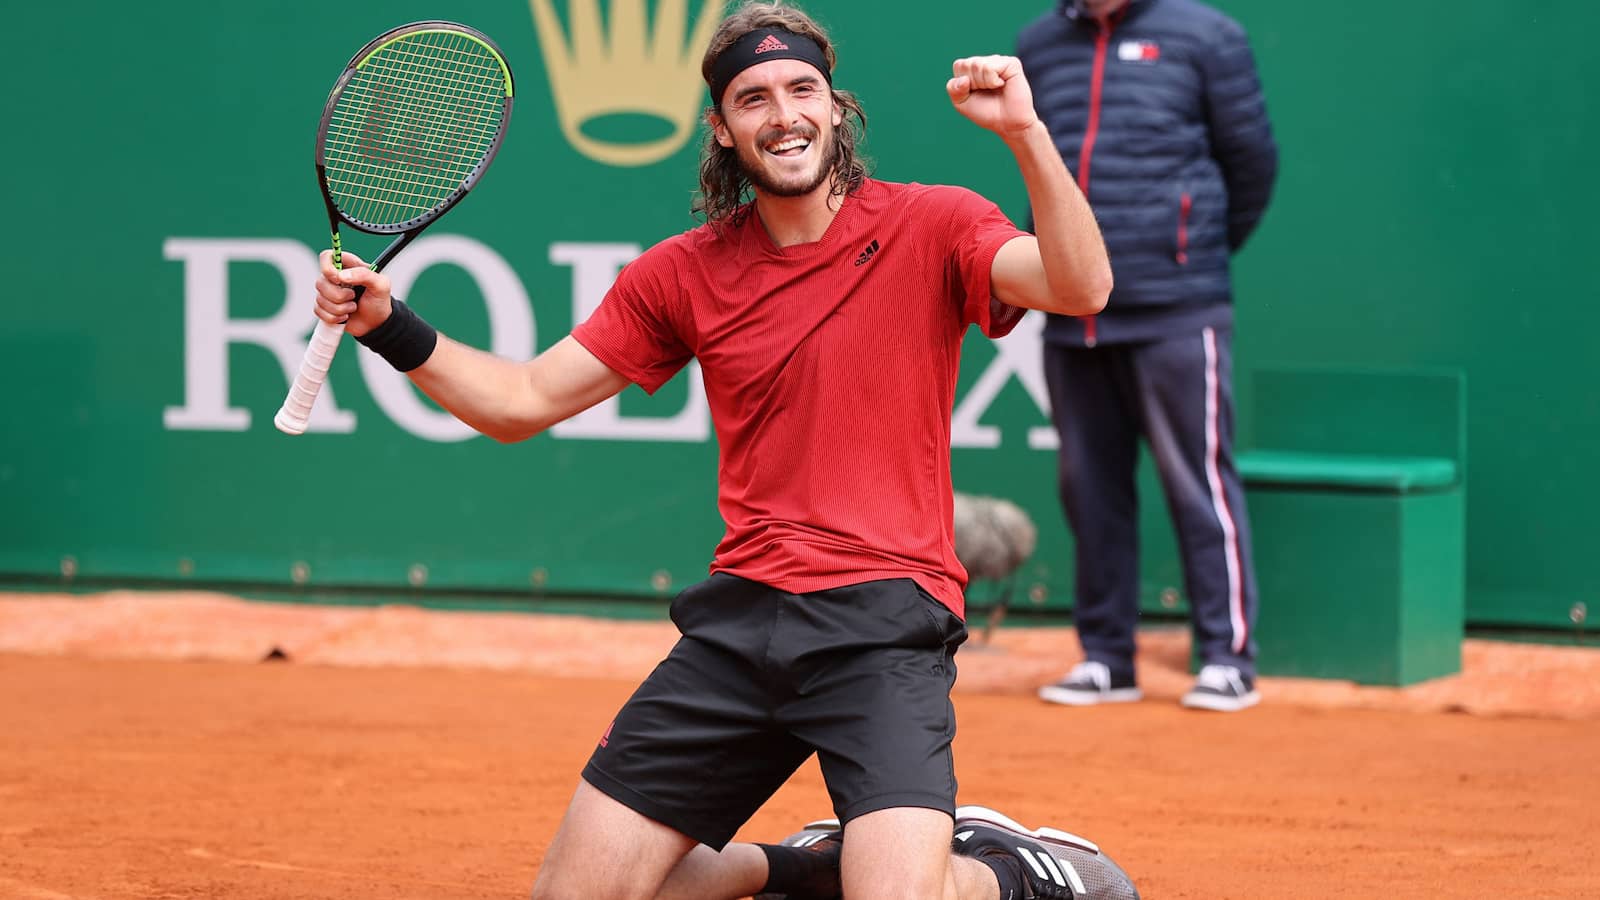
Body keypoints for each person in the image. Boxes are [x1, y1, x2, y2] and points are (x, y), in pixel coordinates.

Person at [313, 3, 1138, 897]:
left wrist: (1025, 134)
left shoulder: (934, 224)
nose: (783, 114)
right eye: (753, 98)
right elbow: (520, 401)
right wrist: (387, 323)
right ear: (722, 127)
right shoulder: (681, 272)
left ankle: (1020, 876)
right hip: (741, 625)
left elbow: (1082, 286)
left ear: (836, 108)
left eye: (802, 90)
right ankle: (804, 870)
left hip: (883, 625)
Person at [1019, 0, 1278, 713]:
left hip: (1178, 305)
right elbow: (1039, 172)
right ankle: (1107, 657)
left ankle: (1227, 658)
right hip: (1076, 311)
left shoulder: (1207, 35)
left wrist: (1187, 252)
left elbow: (1252, 164)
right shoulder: (1037, 44)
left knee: (1200, 482)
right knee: (1089, 487)